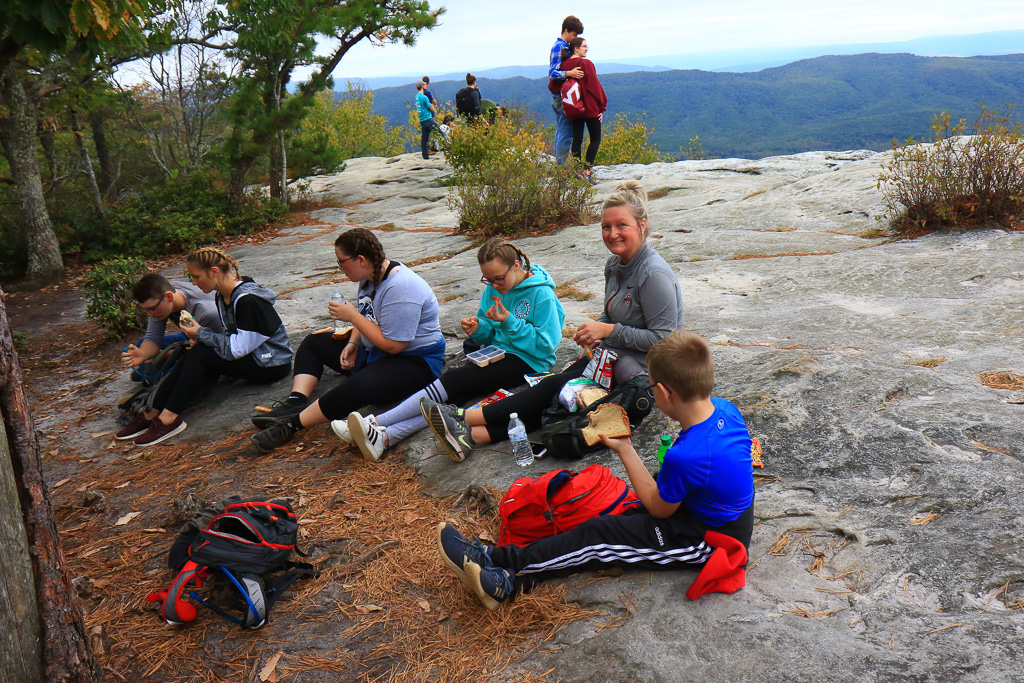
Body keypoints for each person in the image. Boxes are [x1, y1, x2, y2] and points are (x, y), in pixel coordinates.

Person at [436, 331, 756, 610]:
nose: (651, 390)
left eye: (652, 384)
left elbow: (658, 509)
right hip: (707, 511)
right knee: (605, 518)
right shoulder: (726, 409)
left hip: (708, 539)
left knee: (598, 538)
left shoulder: (687, 457)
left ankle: (505, 576)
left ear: (667, 393)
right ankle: (500, 563)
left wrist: (626, 450)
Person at [424, 180, 683, 459]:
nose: (612, 234)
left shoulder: (653, 275)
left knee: (553, 388)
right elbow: (611, 313)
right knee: (559, 399)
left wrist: (607, 330)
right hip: (613, 356)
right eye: (606, 227)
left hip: (642, 373)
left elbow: (663, 340)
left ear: (642, 225)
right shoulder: (615, 265)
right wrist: (595, 331)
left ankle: (464, 417)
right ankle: (471, 437)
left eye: (622, 225)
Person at [342, 238, 566, 462]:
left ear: (516, 265)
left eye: (499, 278)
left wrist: (509, 321)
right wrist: (478, 329)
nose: (495, 285)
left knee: (456, 378)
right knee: (454, 398)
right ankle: (386, 437)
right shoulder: (493, 289)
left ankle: (376, 422)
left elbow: (545, 345)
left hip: (528, 360)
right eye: (488, 280)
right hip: (495, 352)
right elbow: (489, 331)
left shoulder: (541, 294)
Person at [251, 228, 445, 452]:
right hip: (377, 351)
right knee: (314, 343)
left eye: (341, 262)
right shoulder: (370, 277)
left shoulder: (400, 287)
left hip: (415, 362)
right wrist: (353, 343)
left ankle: (290, 425)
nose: (340, 268)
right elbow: (368, 316)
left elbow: (394, 345)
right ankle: (296, 400)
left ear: (360, 259)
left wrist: (352, 317)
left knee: (359, 385)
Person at [115, 248, 293, 446]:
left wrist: (200, 334)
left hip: (272, 363)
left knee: (200, 354)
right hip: (255, 356)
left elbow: (237, 349)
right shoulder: (222, 296)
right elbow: (231, 338)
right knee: (198, 353)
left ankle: (167, 418)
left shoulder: (248, 301)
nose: (193, 283)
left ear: (214, 272)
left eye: (196, 276)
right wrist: (201, 338)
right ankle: (153, 413)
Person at [121, 273, 225, 382]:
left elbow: (220, 347)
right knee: (142, 344)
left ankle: (157, 372)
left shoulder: (205, 312)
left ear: (169, 296)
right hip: (191, 338)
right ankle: (156, 371)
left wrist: (167, 354)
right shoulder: (161, 296)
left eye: (151, 309)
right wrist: (142, 354)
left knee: (188, 367)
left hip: (211, 342)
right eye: (146, 310)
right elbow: (153, 338)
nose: (149, 314)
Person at [560, 36, 607, 171]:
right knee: (595, 139)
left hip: (573, 107)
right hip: (590, 107)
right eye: (584, 46)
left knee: (577, 140)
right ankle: (587, 170)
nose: (587, 49)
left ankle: (577, 171)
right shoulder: (586, 64)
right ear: (576, 48)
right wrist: (602, 107)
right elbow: (594, 86)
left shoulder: (564, 66)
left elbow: (556, 86)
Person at [548, 15, 585, 164]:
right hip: (562, 96)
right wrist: (569, 73)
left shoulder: (561, 46)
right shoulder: (559, 47)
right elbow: (553, 72)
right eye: (574, 35)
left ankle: (560, 165)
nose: (574, 38)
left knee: (561, 131)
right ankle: (561, 170)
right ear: (566, 31)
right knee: (566, 133)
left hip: (559, 96)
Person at [415, 80, 436, 160]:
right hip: (428, 119)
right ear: (422, 86)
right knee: (440, 133)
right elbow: (431, 107)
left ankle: (425, 156)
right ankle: (448, 149)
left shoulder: (416, 97)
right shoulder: (424, 97)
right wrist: (433, 107)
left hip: (422, 120)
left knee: (424, 139)